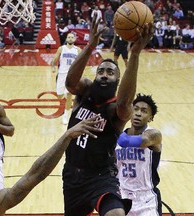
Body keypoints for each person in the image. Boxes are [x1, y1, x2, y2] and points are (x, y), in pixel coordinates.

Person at [62, 11, 154, 216]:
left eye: (110, 73)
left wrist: (135, 54)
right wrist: (90, 45)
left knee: (116, 214)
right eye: (101, 71)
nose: (104, 75)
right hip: (71, 175)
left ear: (117, 81)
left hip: (100, 176)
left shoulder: (115, 109)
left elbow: (124, 102)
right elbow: (69, 84)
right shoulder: (85, 92)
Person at [116, 93, 162, 216]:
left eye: (144, 111)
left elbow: (143, 141)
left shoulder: (154, 135)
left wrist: (113, 131)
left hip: (146, 199)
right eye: (135, 109)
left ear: (150, 117)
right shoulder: (119, 136)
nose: (138, 113)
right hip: (121, 195)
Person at [51, 32, 82, 125]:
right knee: (59, 95)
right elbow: (54, 59)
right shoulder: (61, 48)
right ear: (66, 39)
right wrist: (53, 67)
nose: (70, 38)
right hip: (61, 74)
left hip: (72, 75)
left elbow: (81, 62)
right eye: (69, 37)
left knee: (69, 95)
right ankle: (63, 93)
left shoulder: (78, 50)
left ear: (74, 39)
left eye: (72, 37)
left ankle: (66, 116)